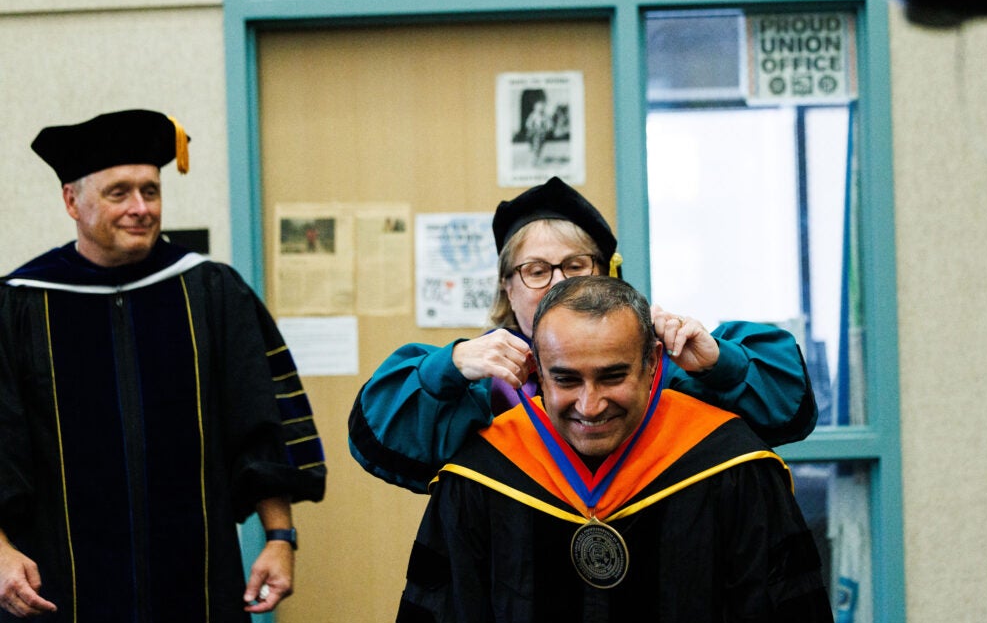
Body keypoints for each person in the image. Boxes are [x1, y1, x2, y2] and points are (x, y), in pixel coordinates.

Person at [0, 109, 327, 623]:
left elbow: (261, 418)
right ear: (72, 202)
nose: (140, 208)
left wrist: (280, 537)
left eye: (150, 190)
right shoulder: (21, 304)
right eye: (119, 192)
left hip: (194, 589)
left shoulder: (211, 292)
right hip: (61, 594)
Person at [387, 276, 841, 623]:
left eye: (612, 376)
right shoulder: (482, 475)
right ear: (538, 375)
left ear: (652, 365)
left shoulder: (728, 466)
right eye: (566, 379)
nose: (590, 404)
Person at [350, 176, 816, 493]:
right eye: (535, 270)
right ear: (506, 288)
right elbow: (380, 439)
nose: (559, 284)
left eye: (575, 266)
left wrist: (720, 364)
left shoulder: (658, 365)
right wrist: (448, 368)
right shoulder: (479, 387)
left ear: (608, 276)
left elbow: (784, 411)